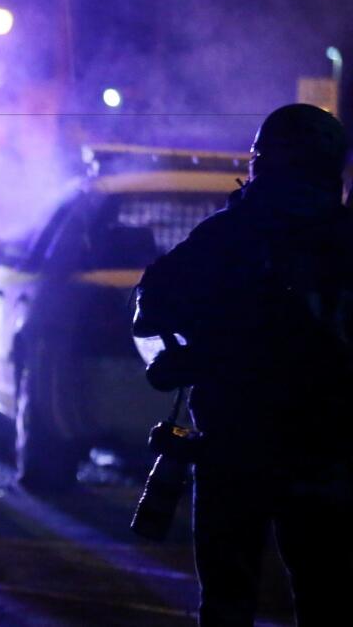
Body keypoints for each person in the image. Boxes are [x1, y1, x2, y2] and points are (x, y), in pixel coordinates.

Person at [133, 104, 353, 626]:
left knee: (228, 600)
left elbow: (149, 310)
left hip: (235, 450)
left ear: (264, 164)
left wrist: (187, 353)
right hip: (329, 454)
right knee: (327, 597)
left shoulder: (226, 236)